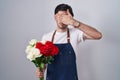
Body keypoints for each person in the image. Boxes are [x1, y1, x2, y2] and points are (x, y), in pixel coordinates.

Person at [36, 3, 102, 80]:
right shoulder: (46, 37)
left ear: (70, 18)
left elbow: (98, 35)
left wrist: (75, 23)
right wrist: (41, 70)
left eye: (64, 17)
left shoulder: (76, 33)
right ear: (55, 17)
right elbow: (43, 62)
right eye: (59, 16)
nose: (61, 19)